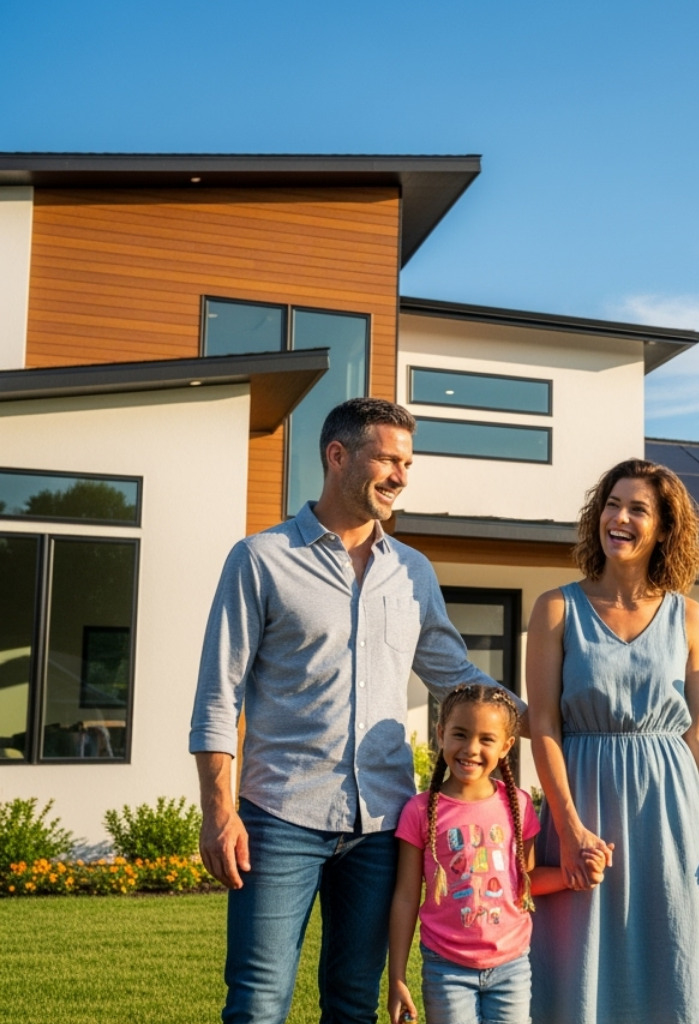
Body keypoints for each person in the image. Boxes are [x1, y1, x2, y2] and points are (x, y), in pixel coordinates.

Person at [189, 398, 525, 1024]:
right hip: (278, 818)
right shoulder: (259, 559)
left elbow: (454, 674)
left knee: (353, 1002)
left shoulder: (413, 573)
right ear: (337, 455)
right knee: (258, 1001)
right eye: (388, 460)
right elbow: (217, 694)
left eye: (407, 464)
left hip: (381, 826)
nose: (400, 476)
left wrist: (554, 722)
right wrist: (219, 812)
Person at [525, 458, 699, 1024]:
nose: (618, 518)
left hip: (671, 814)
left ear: (664, 528)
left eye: (637, 509)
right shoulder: (555, 607)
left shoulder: (689, 616)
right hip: (583, 803)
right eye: (611, 505)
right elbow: (544, 725)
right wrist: (568, 828)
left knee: (673, 951)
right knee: (574, 961)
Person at [387, 684, 603, 1024]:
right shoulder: (418, 810)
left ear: (506, 746)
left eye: (486, 739)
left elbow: (526, 881)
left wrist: (571, 875)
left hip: (511, 967)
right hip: (446, 967)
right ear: (441, 734)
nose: (471, 749)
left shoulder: (519, 803)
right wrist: (397, 977)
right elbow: (405, 897)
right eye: (460, 734)